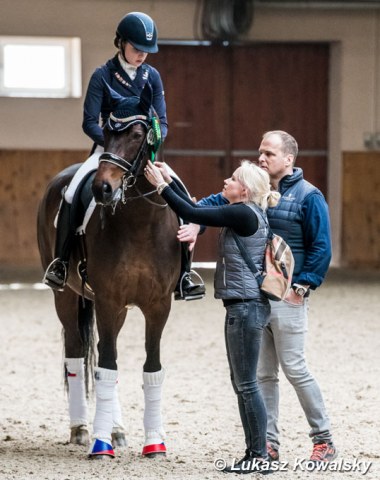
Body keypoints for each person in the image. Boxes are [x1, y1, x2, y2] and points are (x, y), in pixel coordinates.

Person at [181, 130, 337, 465]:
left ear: (289, 159)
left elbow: (321, 246)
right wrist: (197, 224)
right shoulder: (252, 187)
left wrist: (302, 287)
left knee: (294, 368)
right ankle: (269, 444)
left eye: (269, 153)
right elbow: (215, 204)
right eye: (260, 152)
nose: (262, 158)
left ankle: (323, 439)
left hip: (288, 295)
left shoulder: (309, 196)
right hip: (257, 296)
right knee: (264, 375)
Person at [43, 11, 204, 300]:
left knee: (180, 190)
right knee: (71, 192)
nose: (142, 55)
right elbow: (90, 121)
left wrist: (150, 142)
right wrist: (114, 145)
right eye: (136, 48)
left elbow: (162, 121)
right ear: (121, 43)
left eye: (146, 51)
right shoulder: (102, 75)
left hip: (143, 151)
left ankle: (184, 275)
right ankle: (62, 262)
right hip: (109, 151)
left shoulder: (151, 76)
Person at [144, 159, 280, 475]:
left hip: (244, 307)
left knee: (246, 384)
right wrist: (170, 177)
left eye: (232, 179)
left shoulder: (243, 212)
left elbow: (192, 214)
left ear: (243, 190)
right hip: (245, 306)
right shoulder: (249, 211)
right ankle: (255, 452)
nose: (225, 181)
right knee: (243, 383)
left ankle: (258, 454)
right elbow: (194, 208)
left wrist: (162, 186)